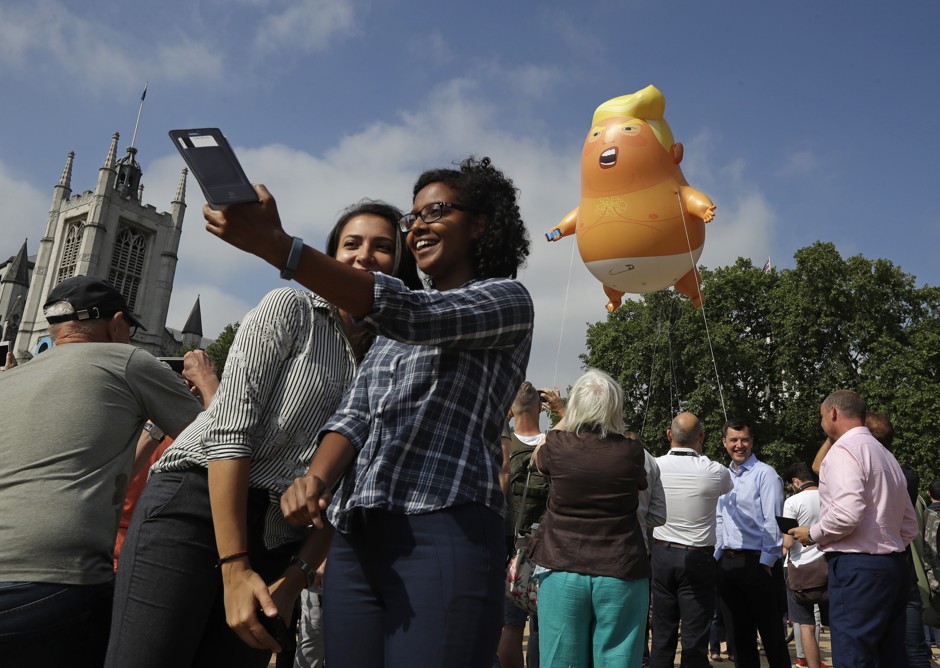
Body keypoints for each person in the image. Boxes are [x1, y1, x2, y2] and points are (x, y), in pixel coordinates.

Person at [228, 157, 532, 668]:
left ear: (480, 224)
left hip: (445, 524)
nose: (418, 227)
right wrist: (315, 478)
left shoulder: (506, 299)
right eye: (413, 218)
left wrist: (279, 247)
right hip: (357, 537)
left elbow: (417, 315)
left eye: (436, 211)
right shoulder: (390, 333)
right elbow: (356, 414)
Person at [104, 202, 422, 668]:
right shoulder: (291, 308)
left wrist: (295, 578)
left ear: (400, 265)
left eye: (383, 247)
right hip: (196, 507)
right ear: (331, 255)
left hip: (278, 541)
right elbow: (230, 430)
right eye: (351, 244)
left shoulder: (395, 359)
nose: (364, 255)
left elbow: (352, 492)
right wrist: (235, 566)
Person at [0, 276, 206, 667]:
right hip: (56, 584)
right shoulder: (128, 360)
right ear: (115, 324)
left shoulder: (8, 379)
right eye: (129, 329)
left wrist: (150, 432)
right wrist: (209, 382)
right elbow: (218, 444)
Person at [527, 368, 650, 667]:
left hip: (561, 566)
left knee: (560, 660)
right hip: (620, 568)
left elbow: (537, 460)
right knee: (619, 660)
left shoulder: (556, 444)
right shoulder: (632, 451)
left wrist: (564, 415)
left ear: (577, 406)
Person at [790, 390, 918, 668]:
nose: (822, 422)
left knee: (854, 658)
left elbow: (846, 515)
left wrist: (812, 533)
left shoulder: (843, 452)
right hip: (894, 566)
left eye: (822, 416)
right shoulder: (885, 455)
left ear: (833, 413)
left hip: (859, 569)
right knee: (891, 657)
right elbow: (909, 524)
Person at [649, 412, 732, 668]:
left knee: (662, 635)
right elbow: (728, 486)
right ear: (702, 437)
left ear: (669, 434)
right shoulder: (715, 470)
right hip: (697, 557)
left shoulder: (653, 466)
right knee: (695, 639)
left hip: (661, 555)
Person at [714, 417, 790, 668]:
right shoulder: (723, 476)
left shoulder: (765, 474)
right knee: (740, 639)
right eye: (733, 440)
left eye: (744, 440)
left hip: (758, 564)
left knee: (772, 636)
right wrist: (717, 558)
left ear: (752, 441)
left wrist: (766, 563)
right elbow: (719, 519)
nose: (739, 445)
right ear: (724, 442)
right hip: (728, 564)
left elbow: (772, 521)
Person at [499, 381, 548, 668]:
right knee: (545, 627)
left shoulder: (504, 445)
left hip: (511, 548)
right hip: (548, 548)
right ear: (541, 408)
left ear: (511, 409)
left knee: (511, 627)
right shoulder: (553, 443)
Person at [780, 462, 828, 668]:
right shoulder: (829, 495)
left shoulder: (792, 502)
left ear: (795, 481)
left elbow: (788, 543)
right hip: (828, 566)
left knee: (806, 625)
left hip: (799, 570)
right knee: (836, 622)